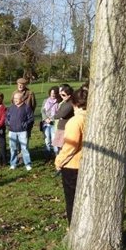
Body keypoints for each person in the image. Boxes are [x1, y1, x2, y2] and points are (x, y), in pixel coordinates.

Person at [55, 86, 89, 225]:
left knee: (72, 199)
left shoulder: (75, 121)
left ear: (74, 103)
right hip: (86, 164)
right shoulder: (93, 118)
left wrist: (59, 162)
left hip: (73, 166)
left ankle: (73, 226)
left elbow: (70, 146)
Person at [6, 91, 34, 171]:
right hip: (12, 131)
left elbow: (31, 118)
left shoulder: (27, 107)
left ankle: (28, 164)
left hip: (22, 131)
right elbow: (7, 117)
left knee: (24, 148)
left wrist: (25, 125)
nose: (15, 100)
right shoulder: (11, 107)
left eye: (17, 98)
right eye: (14, 98)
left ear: (22, 99)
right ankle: (13, 164)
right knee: (13, 148)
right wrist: (8, 123)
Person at [52, 84, 75, 152]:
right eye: (61, 95)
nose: (62, 96)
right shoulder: (64, 102)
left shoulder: (70, 103)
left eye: (63, 95)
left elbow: (62, 114)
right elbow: (59, 113)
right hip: (60, 128)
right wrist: (58, 115)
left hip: (65, 129)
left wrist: (56, 116)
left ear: (69, 95)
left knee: (63, 148)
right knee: (59, 147)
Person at [41, 87, 60, 158]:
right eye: (52, 93)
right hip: (46, 124)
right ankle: (47, 156)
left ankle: (56, 156)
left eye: (54, 93)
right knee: (47, 141)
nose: (53, 94)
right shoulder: (45, 100)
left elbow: (58, 113)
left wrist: (51, 119)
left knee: (54, 141)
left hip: (53, 123)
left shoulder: (58, 102)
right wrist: (46, 118)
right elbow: (42, 111)